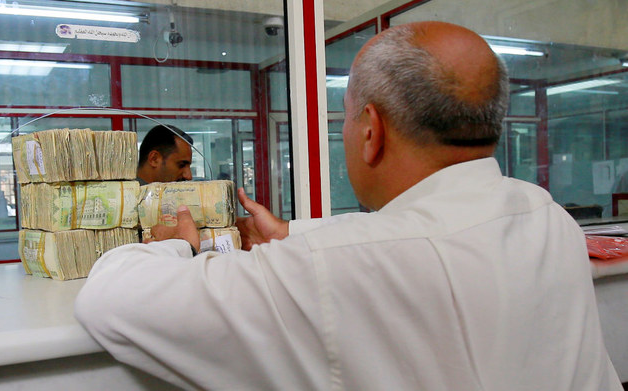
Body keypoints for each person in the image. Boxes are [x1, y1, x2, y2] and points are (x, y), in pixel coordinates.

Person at [75, 21, 621, 390]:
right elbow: (416, 231)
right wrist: (291, 232)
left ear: (370, 132)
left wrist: (177, 246)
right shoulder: (547, 216)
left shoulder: (340, 270)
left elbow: (109, 300)